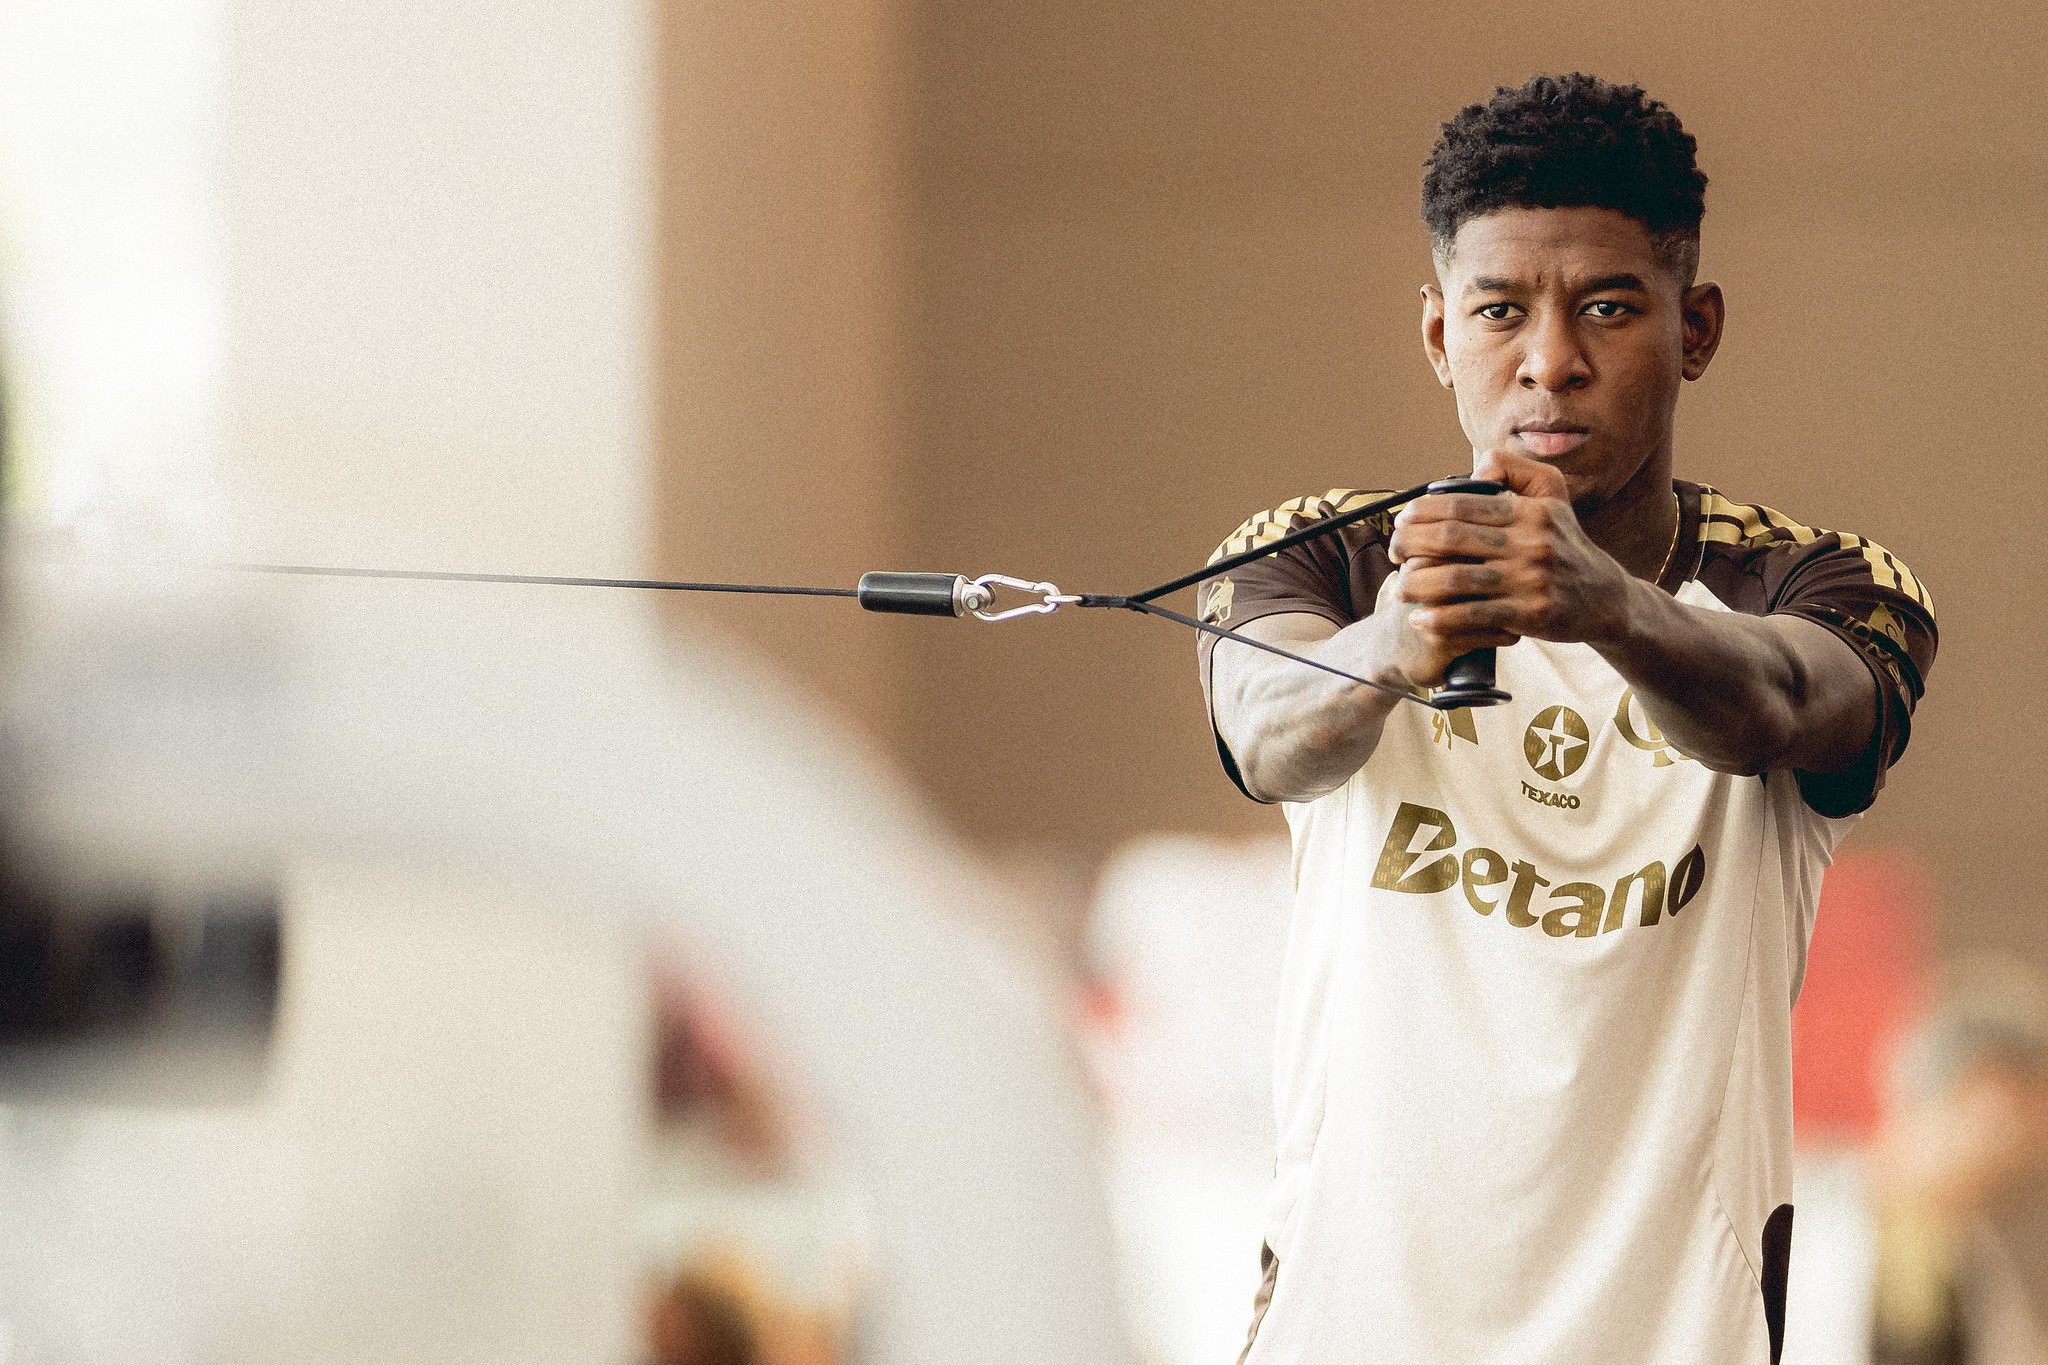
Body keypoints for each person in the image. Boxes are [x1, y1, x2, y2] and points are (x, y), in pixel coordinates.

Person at [1198, 73, 1938, 1364]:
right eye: (1499, 311)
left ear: (1695, 326)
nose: (1550, 360)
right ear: (1439, 335)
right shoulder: (1328, 559)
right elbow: (1266, 726)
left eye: (1606, 306)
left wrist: (1607, 607)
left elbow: (1787, 704)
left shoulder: (1818, 581)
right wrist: (1397, 645)